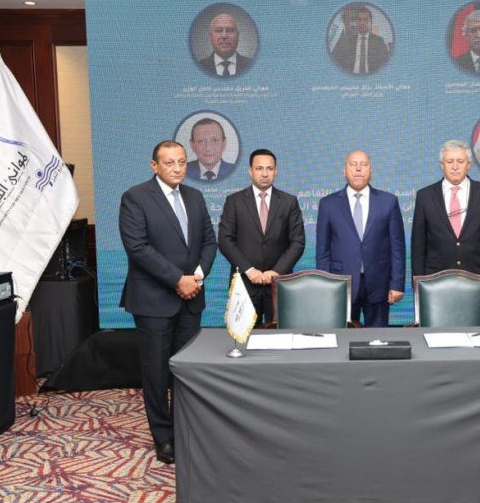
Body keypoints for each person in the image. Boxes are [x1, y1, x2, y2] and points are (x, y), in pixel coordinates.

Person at [119, 140, 217, 465]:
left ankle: (184, 429)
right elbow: (138, 247)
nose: (177, 168)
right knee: (157, 373)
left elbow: (209, 241)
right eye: (169, 163)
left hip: (192, 298)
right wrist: (178, 279)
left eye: (182, 162)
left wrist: (197, 276)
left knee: (185, 370)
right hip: (154, 301)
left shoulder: (195, 197)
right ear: (154, 166)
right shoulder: (135, 198)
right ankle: (164, 437)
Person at [316, 150, 406, 327]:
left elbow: (397, 248)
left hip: (379, 285)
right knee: (342, 338)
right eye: (353, 164)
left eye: (363, 165)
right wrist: (327, 285)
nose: (358, 169)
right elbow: (322, 251)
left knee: (378, 339)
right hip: (341, 285)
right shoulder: (328, 204)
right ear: (344, 170)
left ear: (370, 170)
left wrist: (397, 284)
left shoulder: (388, 202)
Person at [411, 140, 480, 298]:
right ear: (442, 165)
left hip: (479, 278)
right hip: (435, 280)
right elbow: (418, 244)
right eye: (450, 161)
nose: (455, 166)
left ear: (468, 164)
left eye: (460, 161)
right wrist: (418, 283)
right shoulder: (425, 196)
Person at [218, 149, 305, 324]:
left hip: (279, 283)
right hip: (245, 283)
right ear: (250, 171)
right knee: (246, 336)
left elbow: (297, 242)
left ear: (275, 171)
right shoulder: (234, 201)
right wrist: (249, 270)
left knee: (280, 335)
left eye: (269, 168)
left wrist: (276, 272)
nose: (265, 174)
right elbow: (225, 240)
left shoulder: (289, 202)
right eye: (259, 168)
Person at [331, 4, 391, 75]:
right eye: (359, 20)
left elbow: (384, 67)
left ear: (371, 23)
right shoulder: (348, 41)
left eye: (366, 20)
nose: (362, 23)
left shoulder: (379, 42)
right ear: (356, 23)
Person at [198, 13, 252, 77]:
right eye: (219, 30)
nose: (224, 36)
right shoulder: (199, 67)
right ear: (211, 36)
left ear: (237, 36)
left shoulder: (250, 65)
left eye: (230, 30)